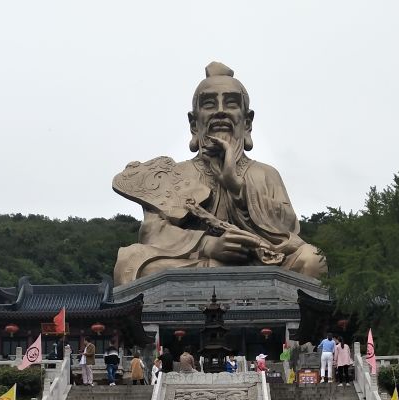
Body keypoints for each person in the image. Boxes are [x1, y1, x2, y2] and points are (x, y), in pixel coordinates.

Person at [112, 62, 326, 286]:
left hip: (259, 265)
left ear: (247, 122)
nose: (220, 111)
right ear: (195, 124)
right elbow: (152, 232)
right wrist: (209, 246)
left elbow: (287, 232)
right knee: (129, 259)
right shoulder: (175, 174)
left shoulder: (265, 174)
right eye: (209, 104)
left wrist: (236, 185)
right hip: (197, 264)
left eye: (231, 103)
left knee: (312, 259)